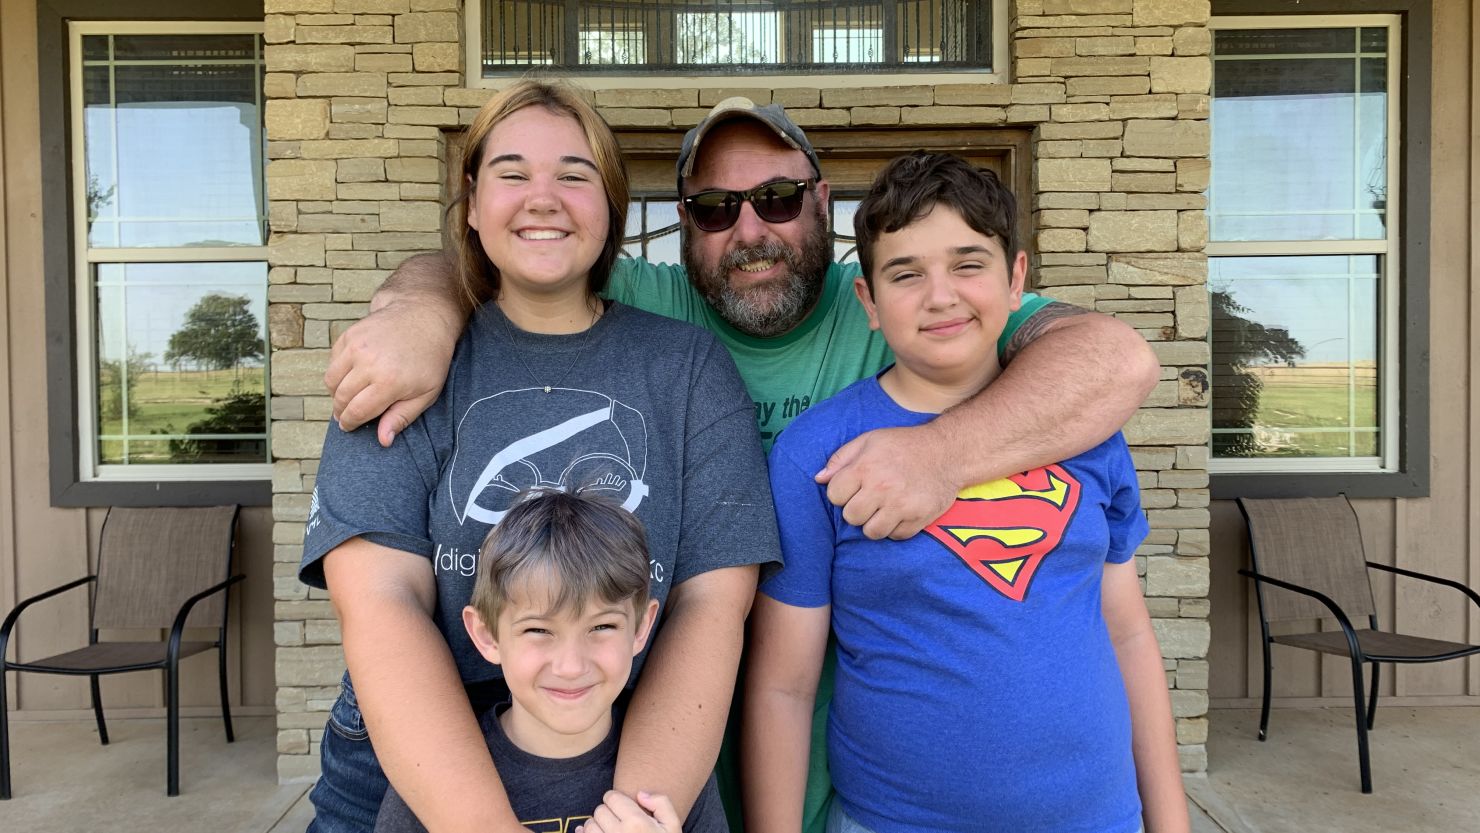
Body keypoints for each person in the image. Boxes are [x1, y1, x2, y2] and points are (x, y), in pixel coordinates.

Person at [323, 98, 1161, 833]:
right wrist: (420, 304)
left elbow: (1115, 362)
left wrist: (941, 453)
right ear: (680, 222)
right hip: (435, 755)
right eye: (716, 207)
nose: (749, 229)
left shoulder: (897, 299)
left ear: (824, 205)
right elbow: (522, 249)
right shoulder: (651, 300)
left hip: (699, 746)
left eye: (779, 198)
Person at [299, 80, 778, 833]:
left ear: (612, 205)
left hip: (636, 761)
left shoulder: (687, 369)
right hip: (411, 775)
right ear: (473, 199)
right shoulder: (404, 365)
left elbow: (710, 605)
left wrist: (634, 816)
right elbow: (379, 605)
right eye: (513, 173)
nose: (543, 198)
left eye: (575, 175)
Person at [743, 152, 1188, 833]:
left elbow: (1128, 632)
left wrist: (1171, 822)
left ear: (1016, 280)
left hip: (1096, 817)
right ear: (868, 301)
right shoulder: (818, 452)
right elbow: (782, 685)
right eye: (905, 273)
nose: (940, 295)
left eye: (968, 264)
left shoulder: (1086, 429)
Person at [373, 489, 727, 833]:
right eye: (539, 631)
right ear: (486, 634)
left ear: (641, 627)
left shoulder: (672, 768)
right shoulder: (437, 775)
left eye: (602, 626)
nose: (571, 666)